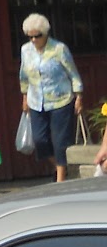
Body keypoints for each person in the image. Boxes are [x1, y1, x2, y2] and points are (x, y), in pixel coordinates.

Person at [18, 13, 85, 182]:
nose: (33, 39)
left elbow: (73, 73)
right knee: (40, 140)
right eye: (30, 36)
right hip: (36, 101)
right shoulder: (25, 50)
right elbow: (23, 75)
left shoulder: (59, 49)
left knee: (60, 141)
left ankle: (60, 180)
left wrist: (79, 96)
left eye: (37, 36)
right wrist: (24, 97)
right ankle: (59, 167)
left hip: (60, 100)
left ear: (45, 33)